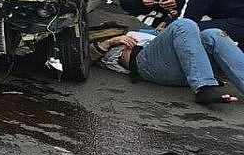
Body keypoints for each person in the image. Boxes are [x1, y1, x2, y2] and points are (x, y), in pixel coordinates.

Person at [92, 18, 243, 105]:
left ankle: (205, 81)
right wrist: (110, 42)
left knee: (213, 33)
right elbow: (83, 58)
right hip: (145, 64)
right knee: (184, 24)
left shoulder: (133, 33)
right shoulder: (91, 39)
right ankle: (204, 88)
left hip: (185, 65)